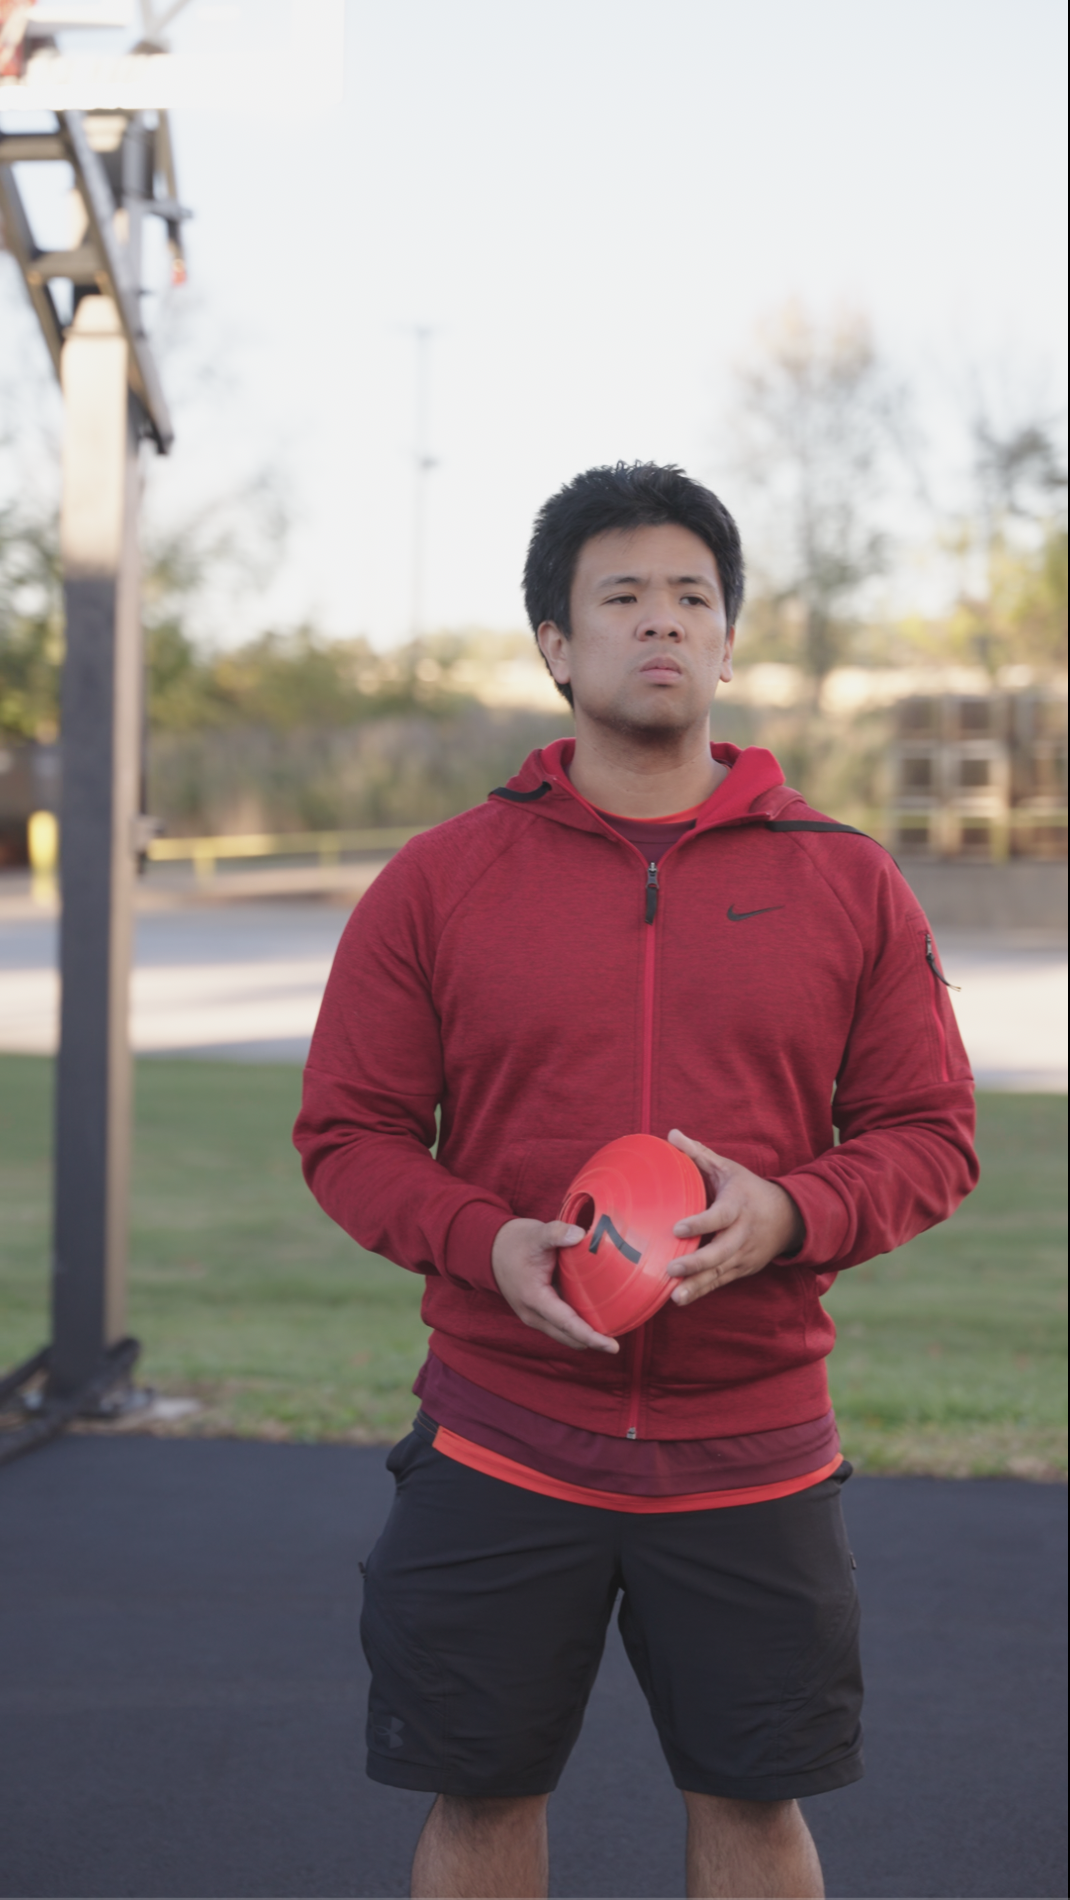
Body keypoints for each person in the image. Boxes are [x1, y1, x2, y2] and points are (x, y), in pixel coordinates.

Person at [294, 462, 978, 1900]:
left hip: (753, 1448)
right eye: (621, 598)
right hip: (500, 1436)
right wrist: (487, 1246)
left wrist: (790, 1213)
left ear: (728, 642)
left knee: (753, 1813)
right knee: (480, 1806)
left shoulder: (846, 884)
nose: (660, 623)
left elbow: (928, 1131)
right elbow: (347, 1132)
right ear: (555, 644)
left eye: (692, 598)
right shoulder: (438, 880)